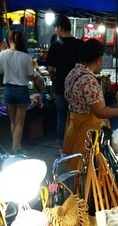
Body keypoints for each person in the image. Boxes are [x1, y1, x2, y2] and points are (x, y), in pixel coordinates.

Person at [61, 39, 118, 158]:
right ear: (99, 60)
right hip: (86, 130)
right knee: (85, 164)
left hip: (74, 124)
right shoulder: (89, 81)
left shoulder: (72, 74)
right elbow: (100, 112)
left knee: (76, 160)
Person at [0, 30, 35, 155]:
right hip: (21, 91)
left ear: (10, 41)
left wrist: (3, 53)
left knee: (12, 122)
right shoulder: (26, 57)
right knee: (19, 123)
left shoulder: (3, 54)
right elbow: (31, 77)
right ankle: (14, 149)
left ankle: (17, 146)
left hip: (8, 89)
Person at [46, 15, 83, 147]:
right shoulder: (80, 44)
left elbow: (50, 69)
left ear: (60, 28)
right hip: (79, 88)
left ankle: (62, 147)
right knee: (77, 116)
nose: (56, 31)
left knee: (61, 117)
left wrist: (53, 80)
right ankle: (76, 143)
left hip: (61, 87)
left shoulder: (55, 46)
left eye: (56, 28)